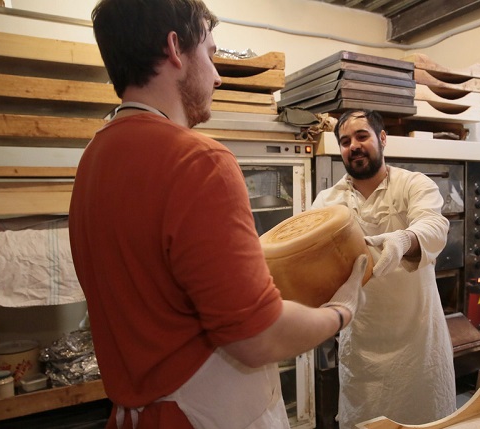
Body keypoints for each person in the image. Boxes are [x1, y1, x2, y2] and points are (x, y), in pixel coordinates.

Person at [68, 1, 365, 428]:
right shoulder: (197, 159)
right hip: (204, 417)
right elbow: (258, 336)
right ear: (175, 48)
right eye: (210, 54)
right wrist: (341, 311)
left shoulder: (94, 159)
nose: (218, 75)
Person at [312, 109, 456, 428]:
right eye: (345, 141)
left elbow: (434, 226)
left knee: (423, 420)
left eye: (362, 136)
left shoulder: (413, 184)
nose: (354, 146)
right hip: (361, 344)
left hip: (418, 342)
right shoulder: (327, 202)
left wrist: (404, 240)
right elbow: (311, 253)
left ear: (382, 138)